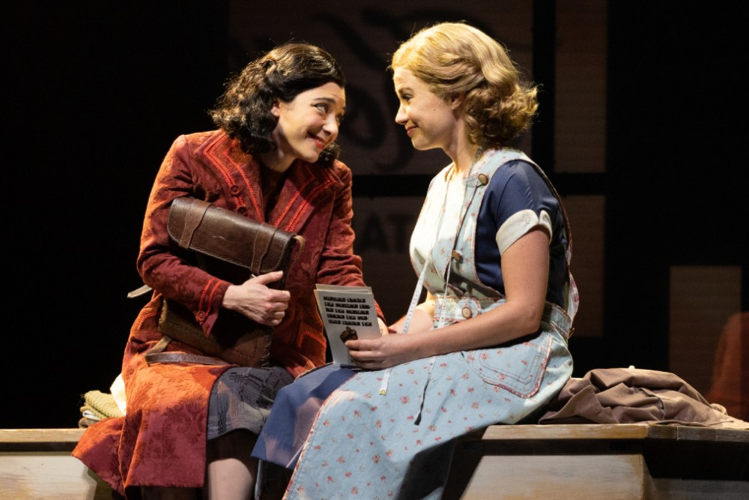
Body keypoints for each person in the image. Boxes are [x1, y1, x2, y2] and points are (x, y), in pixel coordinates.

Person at [252, 22, 579, 499]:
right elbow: (439, 301)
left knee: (354, 406)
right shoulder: (442, 184)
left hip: (515, 355)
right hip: (454, 348)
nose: (399, 115)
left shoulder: (514, 181)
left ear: (456, 96)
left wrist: (407, 350)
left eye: (408, 97)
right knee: (305, 393)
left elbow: (524, 313)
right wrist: (389, 337)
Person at [72, 42, 385, 499]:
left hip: (280, 349)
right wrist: (229, 295)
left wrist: (369, 332)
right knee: (174, 407)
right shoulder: (194, 153)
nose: (332, 127)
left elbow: (337, 270)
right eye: (322, 108)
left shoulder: (332, 179)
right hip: (187, 344)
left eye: (339, 115)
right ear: (275, 101)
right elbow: (154, 259)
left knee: (253, 395)